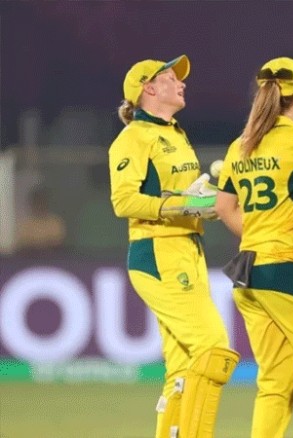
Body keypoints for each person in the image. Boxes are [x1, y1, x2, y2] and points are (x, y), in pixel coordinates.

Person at [108, 55, 239, 438]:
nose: (181, 83)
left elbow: (186, 197)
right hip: (158, 251)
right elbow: (124, 202)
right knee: (212, 348)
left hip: (187, 248)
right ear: (148, 88)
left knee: (183, 367)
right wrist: (182, 204)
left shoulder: (175, 134)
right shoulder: (134, 137)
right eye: (170, 78)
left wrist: (211, 199)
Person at [16, 185, 66, 252]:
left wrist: (38, 244)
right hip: (31, 257)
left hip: (52, 257)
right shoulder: (26, 225)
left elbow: (57, 243)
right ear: (32, 204)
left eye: (42, 202)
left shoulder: (55, 222)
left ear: (46, 203)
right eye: (37, 202)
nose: (40, 205)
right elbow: (23, 245)